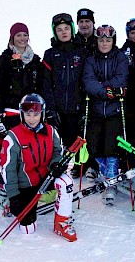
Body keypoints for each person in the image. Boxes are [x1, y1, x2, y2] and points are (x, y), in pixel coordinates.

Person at [0, 93, 77, 241]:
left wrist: (56, 164)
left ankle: (61, 222)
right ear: (22, 114)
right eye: (28, 114)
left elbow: (57, 152)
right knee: (28, 230)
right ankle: (7, 199)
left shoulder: (50, 131)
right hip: (25, 185)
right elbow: (8, 170)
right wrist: (14, 196)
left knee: (66, 182)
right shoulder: (13, 137)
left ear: (42, 114)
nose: (32, 118)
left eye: (36, 114)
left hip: (46, 178)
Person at [82, 24, 128, 204]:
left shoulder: (120, 58)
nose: (104, 43)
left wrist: (102, 86)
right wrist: (107, 90)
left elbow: (121, 79)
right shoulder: (91, 60)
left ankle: (111, 182)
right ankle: (105, 173)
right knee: (93, 146)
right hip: (95, 110)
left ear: (113, 41)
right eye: (101, 39)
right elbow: (88, 82)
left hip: (114, 110)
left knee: (111, 147)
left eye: (108, 40)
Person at [41, 13, 89, 178]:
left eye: (67, 28)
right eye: (59, 30)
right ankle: (56, 168)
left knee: (75, 141)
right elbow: (45, 84)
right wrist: (51, 109)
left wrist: (84, 107)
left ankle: (78, 167)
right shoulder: (50, 54)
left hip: (76, 107)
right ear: (55, 32)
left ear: (72, 29)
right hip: (58, 108)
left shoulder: (82, 52)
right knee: (56, 144)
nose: (64, 32)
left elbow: (86, 80)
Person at [0, 22, 42, 154]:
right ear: (12, 38)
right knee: (10, 147)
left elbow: (40, 87)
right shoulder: (2, 61)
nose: (22, 38)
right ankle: (7, 172)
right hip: (9, 112)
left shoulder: (35, 62)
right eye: (18, 35)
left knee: (29, 148)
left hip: (30, 112)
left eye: (25, 35)